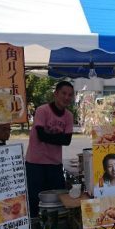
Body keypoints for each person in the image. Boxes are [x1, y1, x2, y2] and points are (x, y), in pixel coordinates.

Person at [25, 81, 75, 218]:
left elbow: (67, 141)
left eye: (70, 95)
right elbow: (41, 135)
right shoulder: (42, 110)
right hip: (35, 163)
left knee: (58, 200)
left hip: (54, 164)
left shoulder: (69, 116)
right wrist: (58, 137)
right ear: (56, 94)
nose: (66, 97)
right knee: (35, 200)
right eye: (63, 93)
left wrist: (51, 136)